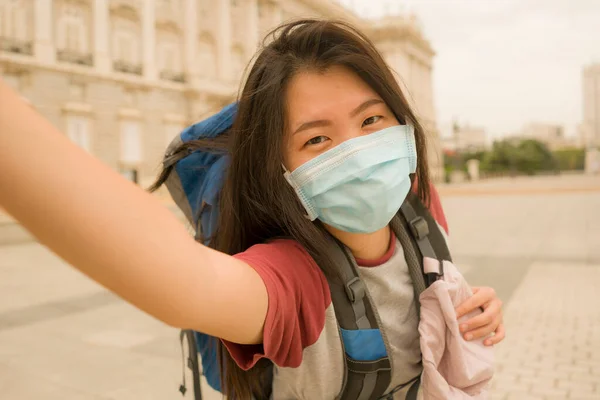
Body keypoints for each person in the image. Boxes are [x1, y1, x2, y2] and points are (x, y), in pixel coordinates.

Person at [0, 19, 504, 399]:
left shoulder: (418, 205)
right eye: (318, 139)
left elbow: (429, 293)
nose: (356, 151)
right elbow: (179, 280)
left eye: (371, 119)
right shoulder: (292, 281)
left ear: (401, 122)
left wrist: (476, 312)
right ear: (282, 170)